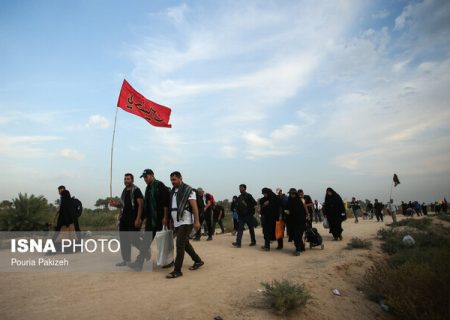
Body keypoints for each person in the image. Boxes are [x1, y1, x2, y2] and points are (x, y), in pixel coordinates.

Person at [163, 171, 204, 279]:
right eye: (171, 180)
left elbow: (194, 207)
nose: (173, 182)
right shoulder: (173, 191)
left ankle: (177, 270)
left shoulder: (188, 190)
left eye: (174, 179)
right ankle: (198, 261)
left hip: (186, 221)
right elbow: (172, 207)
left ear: (180, 178)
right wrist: (171, 221)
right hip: (177, 222)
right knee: (185, 244)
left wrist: (197, 221)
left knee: (180, 244)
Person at [129, 169, 170, 272]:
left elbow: (165, 203)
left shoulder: (160, 185)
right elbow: (146, 205)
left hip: (160, 220)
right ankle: (139, 263)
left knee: (164, 243)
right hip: (151, 222)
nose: (145, 179)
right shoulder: (148, 188)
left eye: (146, 177)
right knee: (145, 243)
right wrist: (146, 218)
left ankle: (168, 261)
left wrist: (165, 217)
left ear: (152, 175)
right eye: (144, 177)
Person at [109, 173, 144, 267]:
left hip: (133, 218)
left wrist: (138, 218)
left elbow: (140, 204)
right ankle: (126, 260)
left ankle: (145, 250)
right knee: (124, 240)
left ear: (132, 180)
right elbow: (122, 205)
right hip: (124, 219)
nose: (126, 180)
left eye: (128, 179)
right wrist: (115, 204)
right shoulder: (124, 191)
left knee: (134, 238)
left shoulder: (136, 190)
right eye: (125, 179)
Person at [285, 188, 308, 255]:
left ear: (295, 194)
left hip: (300, 222)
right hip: (292, 222)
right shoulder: (289, 201)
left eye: (293, 193)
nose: (291, 195)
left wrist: (291, 212)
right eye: (290, 193)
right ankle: (301, 247)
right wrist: (286, 212)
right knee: (295, 236)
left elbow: (301, 211)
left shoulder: (299, 201)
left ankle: (298, 249)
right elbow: (287, 208)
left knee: (297, 236)